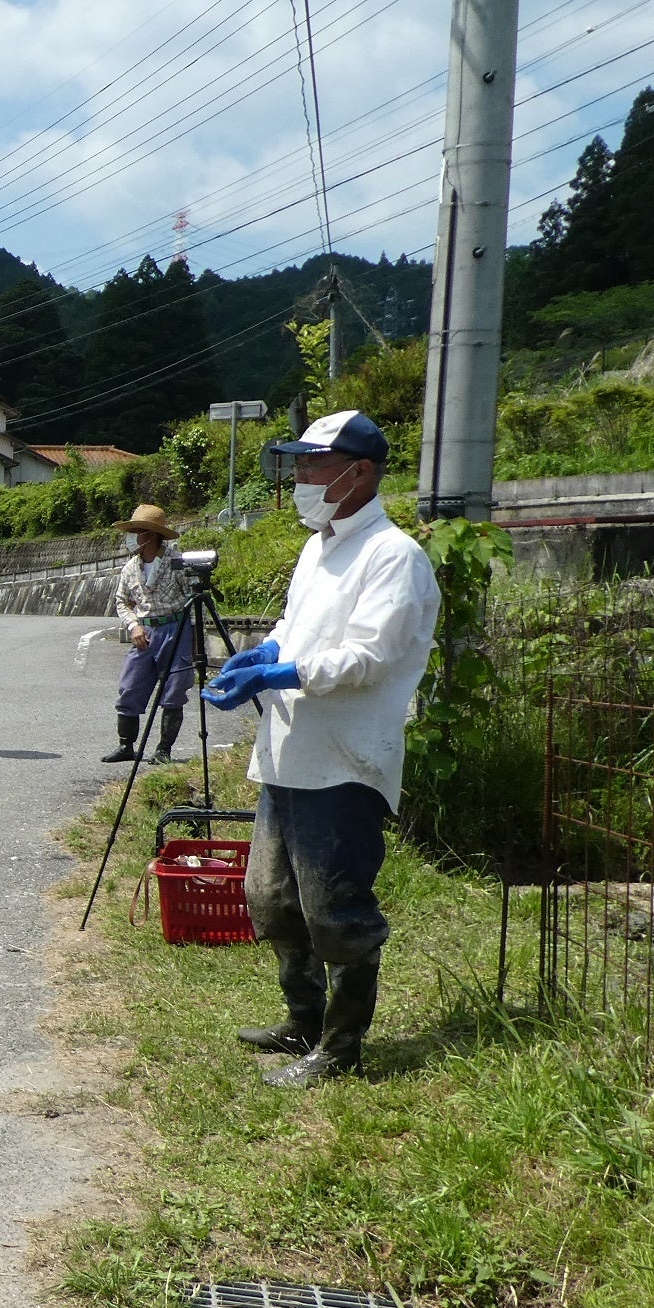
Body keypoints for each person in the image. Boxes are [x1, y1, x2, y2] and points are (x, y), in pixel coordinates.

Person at [202, 411, 440, 1089]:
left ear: (358, 471)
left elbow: (368, 657)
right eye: (299, 463)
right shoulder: (319, 547)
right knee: (273, 901)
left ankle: (341, 1048)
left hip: (343, 759)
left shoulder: (394, 556)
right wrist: (267, 651)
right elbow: (295, 625)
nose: (302, 476)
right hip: (290, 751)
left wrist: (283, 673)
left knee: (335, 909)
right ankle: (302, 1019)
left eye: (314, 463)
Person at [104, 503, 196, 766]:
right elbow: (122, 601)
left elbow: (192, 598)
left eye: (138, 531)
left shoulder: (177, 562)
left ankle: (163, 749)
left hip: (176, 628)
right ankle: (126, 746)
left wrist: (193, 638)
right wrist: (133, 625)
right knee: (130, 686)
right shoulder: (130, 567)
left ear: (152, 535)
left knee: (175, 689)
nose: (133, 537)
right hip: (145, 630)